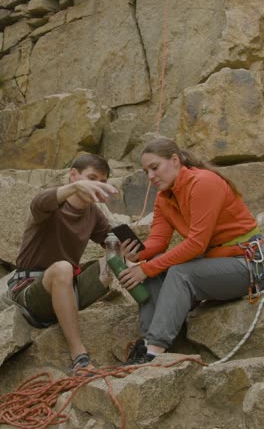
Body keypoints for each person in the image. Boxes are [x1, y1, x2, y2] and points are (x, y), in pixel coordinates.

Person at [119, 136, 264, 364]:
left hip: (247, 264)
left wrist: (146, 268)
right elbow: (158, 240)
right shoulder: (164, 197)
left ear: (175, 160)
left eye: (155, 168)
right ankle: (149, 341)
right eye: (146, 171)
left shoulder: (204, 183)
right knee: (154, 265)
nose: (150, 177)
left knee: (179, 273)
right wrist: (139, 254)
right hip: (216, 262)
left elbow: (197, 244)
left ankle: (154, 353)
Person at [6, 154, 118, 373]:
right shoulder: (49, 204)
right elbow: (40, 202)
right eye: (91, 178)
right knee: (63, 267)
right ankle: (79, 355)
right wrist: (76, 188)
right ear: (73, 175)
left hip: (69, 289)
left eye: (102, 182)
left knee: (115, 256)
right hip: (30, 290)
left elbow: (110, 239)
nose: (96, 185)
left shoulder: (93, 213)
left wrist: (125, 248)